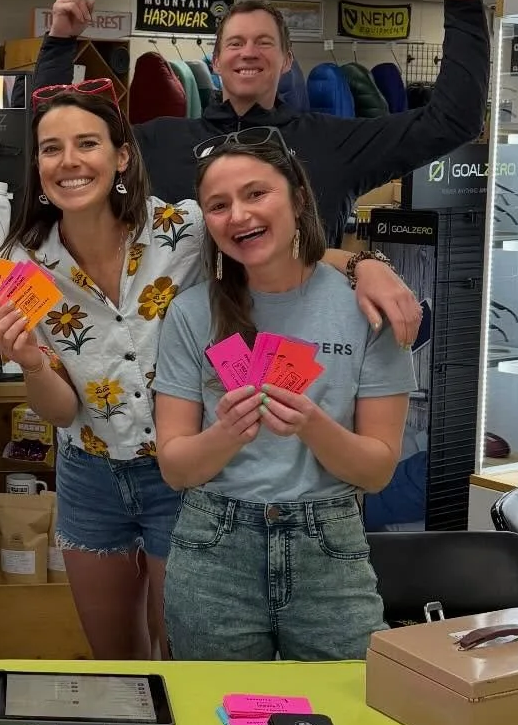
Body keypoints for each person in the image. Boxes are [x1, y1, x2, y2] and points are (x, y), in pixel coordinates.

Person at [0, 89, 417, 661]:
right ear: (37, 167)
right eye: (51, 148)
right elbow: (63, 410)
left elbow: (282, 250)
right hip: (93, 472)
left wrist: (369, 265)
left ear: (121, 157)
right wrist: (31, 363)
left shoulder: (184, 225)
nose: (69, 160)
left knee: (187, 658)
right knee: (119, 662)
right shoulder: (22, 262)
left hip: (193, 480)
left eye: (87, 143)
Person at [33, 0, 489, 240]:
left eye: (263, 43)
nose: (248, 52)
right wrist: (59, 41)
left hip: (300, 356)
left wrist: (465, 7)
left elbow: (453, 121)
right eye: (234, 44)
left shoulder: (334, 144)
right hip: (182, 353)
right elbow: (59, 134)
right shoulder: (159, 144)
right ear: (214, 62)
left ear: (287, 60)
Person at [155, 132, 415, 660]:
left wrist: (313, 425)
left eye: (257, 194)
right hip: (213, 547)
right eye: (219, 205)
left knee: (346, 719)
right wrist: (228, 433)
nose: (239, 215)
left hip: (331, 545)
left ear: (297, 197)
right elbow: (176, 468)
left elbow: (378, 470)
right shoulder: (190, 314)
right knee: (216, 724)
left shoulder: (368, 307)